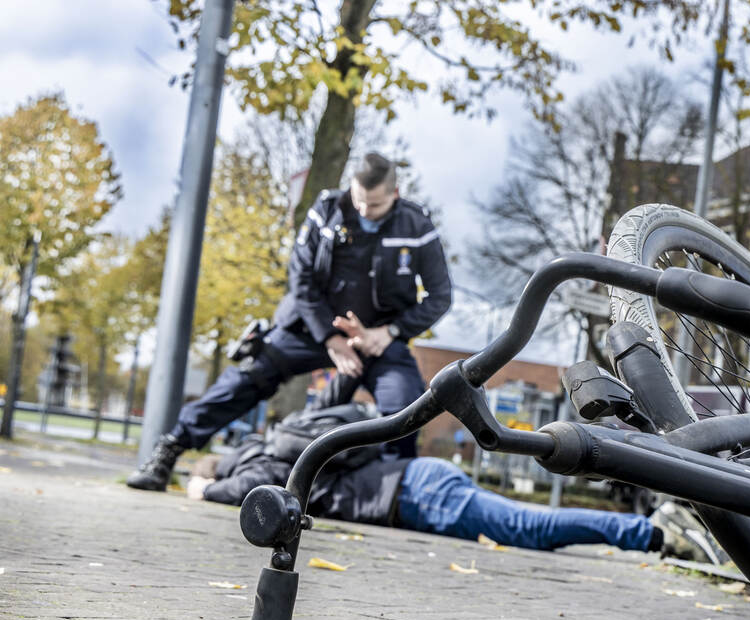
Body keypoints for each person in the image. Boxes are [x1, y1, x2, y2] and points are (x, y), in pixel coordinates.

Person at [127, 151, 452, 491]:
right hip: (311, 329)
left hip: (376, 338)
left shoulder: (417, 227)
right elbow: (301, 279)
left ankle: (400, 489)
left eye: (374, 205)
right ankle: (169, 450)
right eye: (358, 201)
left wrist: (389, 333)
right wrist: (329, 337)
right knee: (248, 376)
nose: (363, 212)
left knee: (406, 404)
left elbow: (440, 296)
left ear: (394, 194)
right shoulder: (326, 210)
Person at [187, 434, 718, 558]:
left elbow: (238, 490)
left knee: (528, 528)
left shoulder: (254, 464)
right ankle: (655, 531)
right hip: (420, 478)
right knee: (523, 522)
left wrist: (202, 485)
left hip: (419, 498)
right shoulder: (277, 441)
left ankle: (653, 532)